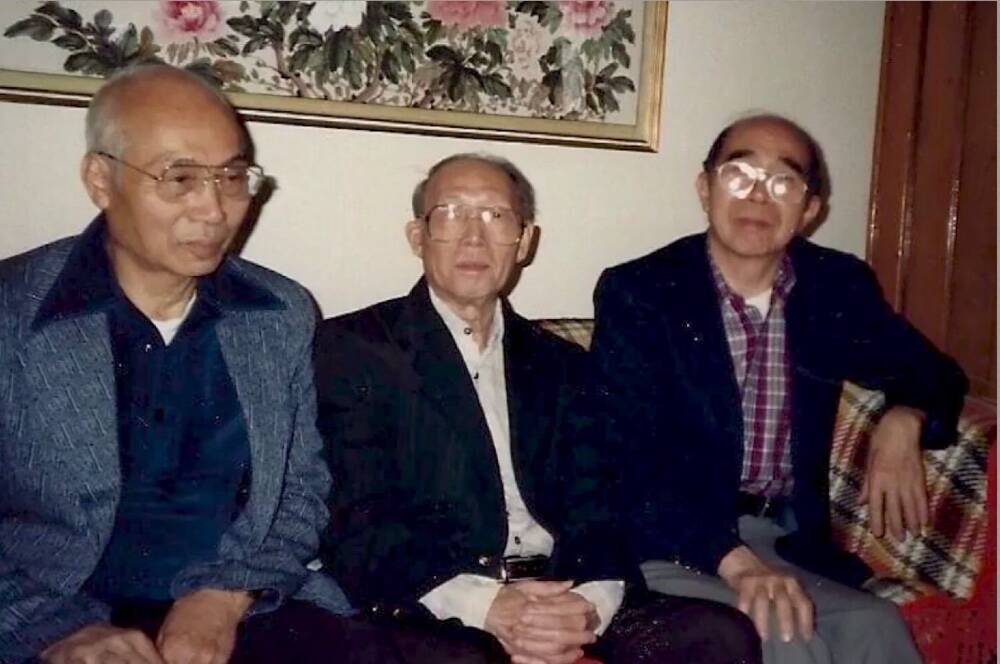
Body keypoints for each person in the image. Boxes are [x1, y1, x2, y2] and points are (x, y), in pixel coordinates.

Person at [0, 62, 417, 664]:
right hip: (56, 617)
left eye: (232, 178)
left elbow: (302, 491)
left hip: (243, 604)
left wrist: (224, 594)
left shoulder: (278, 313)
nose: (215, 210)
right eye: (180, 178)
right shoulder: (15, 311)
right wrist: (57, 631)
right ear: (100, 179)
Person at [313, 153, 762, 664]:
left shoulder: (562, 364)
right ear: (418, 236)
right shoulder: (354, 349)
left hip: (560, 588)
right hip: (436, 600)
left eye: (496, 216)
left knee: (719, 636)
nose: (474, 237)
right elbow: (357, 519)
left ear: (524, 242)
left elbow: (599, 505)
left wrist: (587, 606)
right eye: (453, 213)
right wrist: (490, 607)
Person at [588, 113, 968, 663]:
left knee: (877, 629)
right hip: (672, 543)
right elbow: (627, 463)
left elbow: (937, 373)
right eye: (739, 175)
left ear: (810, 209)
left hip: (786, 540)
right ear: (704, 188)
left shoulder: (834, 285)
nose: (759, 196)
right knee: (788, 639)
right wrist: (736, 561)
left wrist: (905, 417)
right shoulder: (641, 292)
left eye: (784, 181)